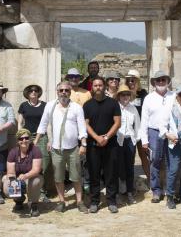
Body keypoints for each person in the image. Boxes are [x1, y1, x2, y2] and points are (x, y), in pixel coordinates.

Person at [35, 80, 89, 214]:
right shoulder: (50, 106)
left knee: (76, 177)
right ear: (57, 92)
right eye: (61, 90)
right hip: (56, 149)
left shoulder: (76, 107)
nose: (64, 92)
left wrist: (83, 144)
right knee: (58, 178)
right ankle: (62, 201)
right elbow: (43, 124)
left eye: (66, 90)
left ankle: (79, 201)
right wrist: (35, 142)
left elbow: (82, 127)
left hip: (73, 148)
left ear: (70, 92)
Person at [83, 77, 121, 213]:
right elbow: (85, 124)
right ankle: (94, 202)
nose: (98, 87)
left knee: (111, 174)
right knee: (94, 174)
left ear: (104, 87)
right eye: (95, 85)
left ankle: (111, 201)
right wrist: (97, 138)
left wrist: (106, 137)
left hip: (110, 144)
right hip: (93, 144)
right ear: (92, 87)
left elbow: (117, 122)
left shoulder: (113, 103)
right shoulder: (87, 105)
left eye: (100, 85)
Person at [139, 70, 175, 203]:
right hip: (153, 132)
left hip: (171, 132)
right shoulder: (148, 98)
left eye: (163, 80)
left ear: (167, 82)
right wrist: (144, 139)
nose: (161, 82)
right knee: (155, 161)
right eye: (158, 80)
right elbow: (144, 120)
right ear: (154, 82)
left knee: (171, 160)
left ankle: (169, 189)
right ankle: (156, 191)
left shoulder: (174, 96)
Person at [17, 84, 50, 203]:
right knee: (27, 163)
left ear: (38, 93)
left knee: (44, 164)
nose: (33, 92)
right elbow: (20, 123)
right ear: (27, 93)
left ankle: (42, 192)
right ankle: (26, 189)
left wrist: (49, 139)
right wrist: (20, 137)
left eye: (36, 91)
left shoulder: (45, 105)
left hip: (42, 137)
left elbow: (48, 123)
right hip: (26, 137)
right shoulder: (23, 105)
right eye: (31, 91)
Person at [3, 128, 44, 217]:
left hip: (32, 177)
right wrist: (15, 180)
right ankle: (19, 200)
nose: (24, 140)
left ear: (30, 139)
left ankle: (33, 205)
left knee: (35, 181)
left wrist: (25, 176)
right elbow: (10, 172)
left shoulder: (36, 150)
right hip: (18, 178)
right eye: (21, 139)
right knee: (6, 185)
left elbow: (36, 170)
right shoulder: (13, 152)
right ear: (18, 141)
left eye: (26, 138)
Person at [116, 84, 140, 204]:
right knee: (119, 167)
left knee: (129, 167)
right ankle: (120, 192)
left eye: (127, 94)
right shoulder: (115, 107)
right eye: (123, 94)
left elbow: (138, 125)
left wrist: (136, 139)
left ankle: (130, 193)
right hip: (118, 140)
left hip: (130, 140)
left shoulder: (133, 108)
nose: (125, 96)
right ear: (119, 96)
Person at [125, 69, 150, 183]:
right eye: (129, 80)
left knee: (144, 155)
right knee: (129, 157)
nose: (131, 82)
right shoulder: (124, 93)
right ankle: (129, 183)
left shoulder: (143, 94)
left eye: (133, 80)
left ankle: (150, 180)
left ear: (138, 81)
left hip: (140, 129)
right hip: (128, 130)